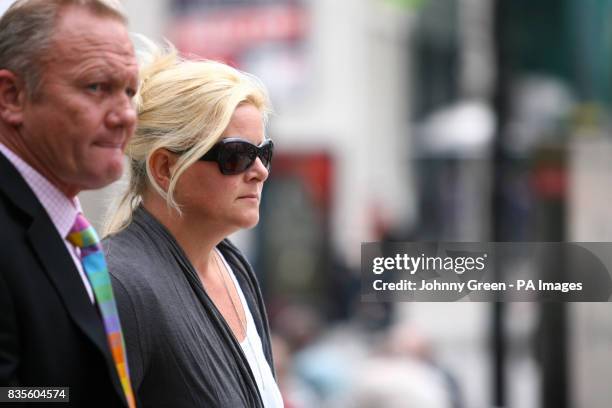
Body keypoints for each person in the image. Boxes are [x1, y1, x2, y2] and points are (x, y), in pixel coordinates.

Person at [102, 43, 283, 407]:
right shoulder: (121, 285)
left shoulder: (233, 266)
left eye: (263, 152)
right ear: (165, 168)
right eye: (237, 156)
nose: (260, 171)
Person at [0, 0, 138, 406]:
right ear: (12, 96)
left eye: (131, 91)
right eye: (97, 87)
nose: (125, 115)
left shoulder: (66, 228)